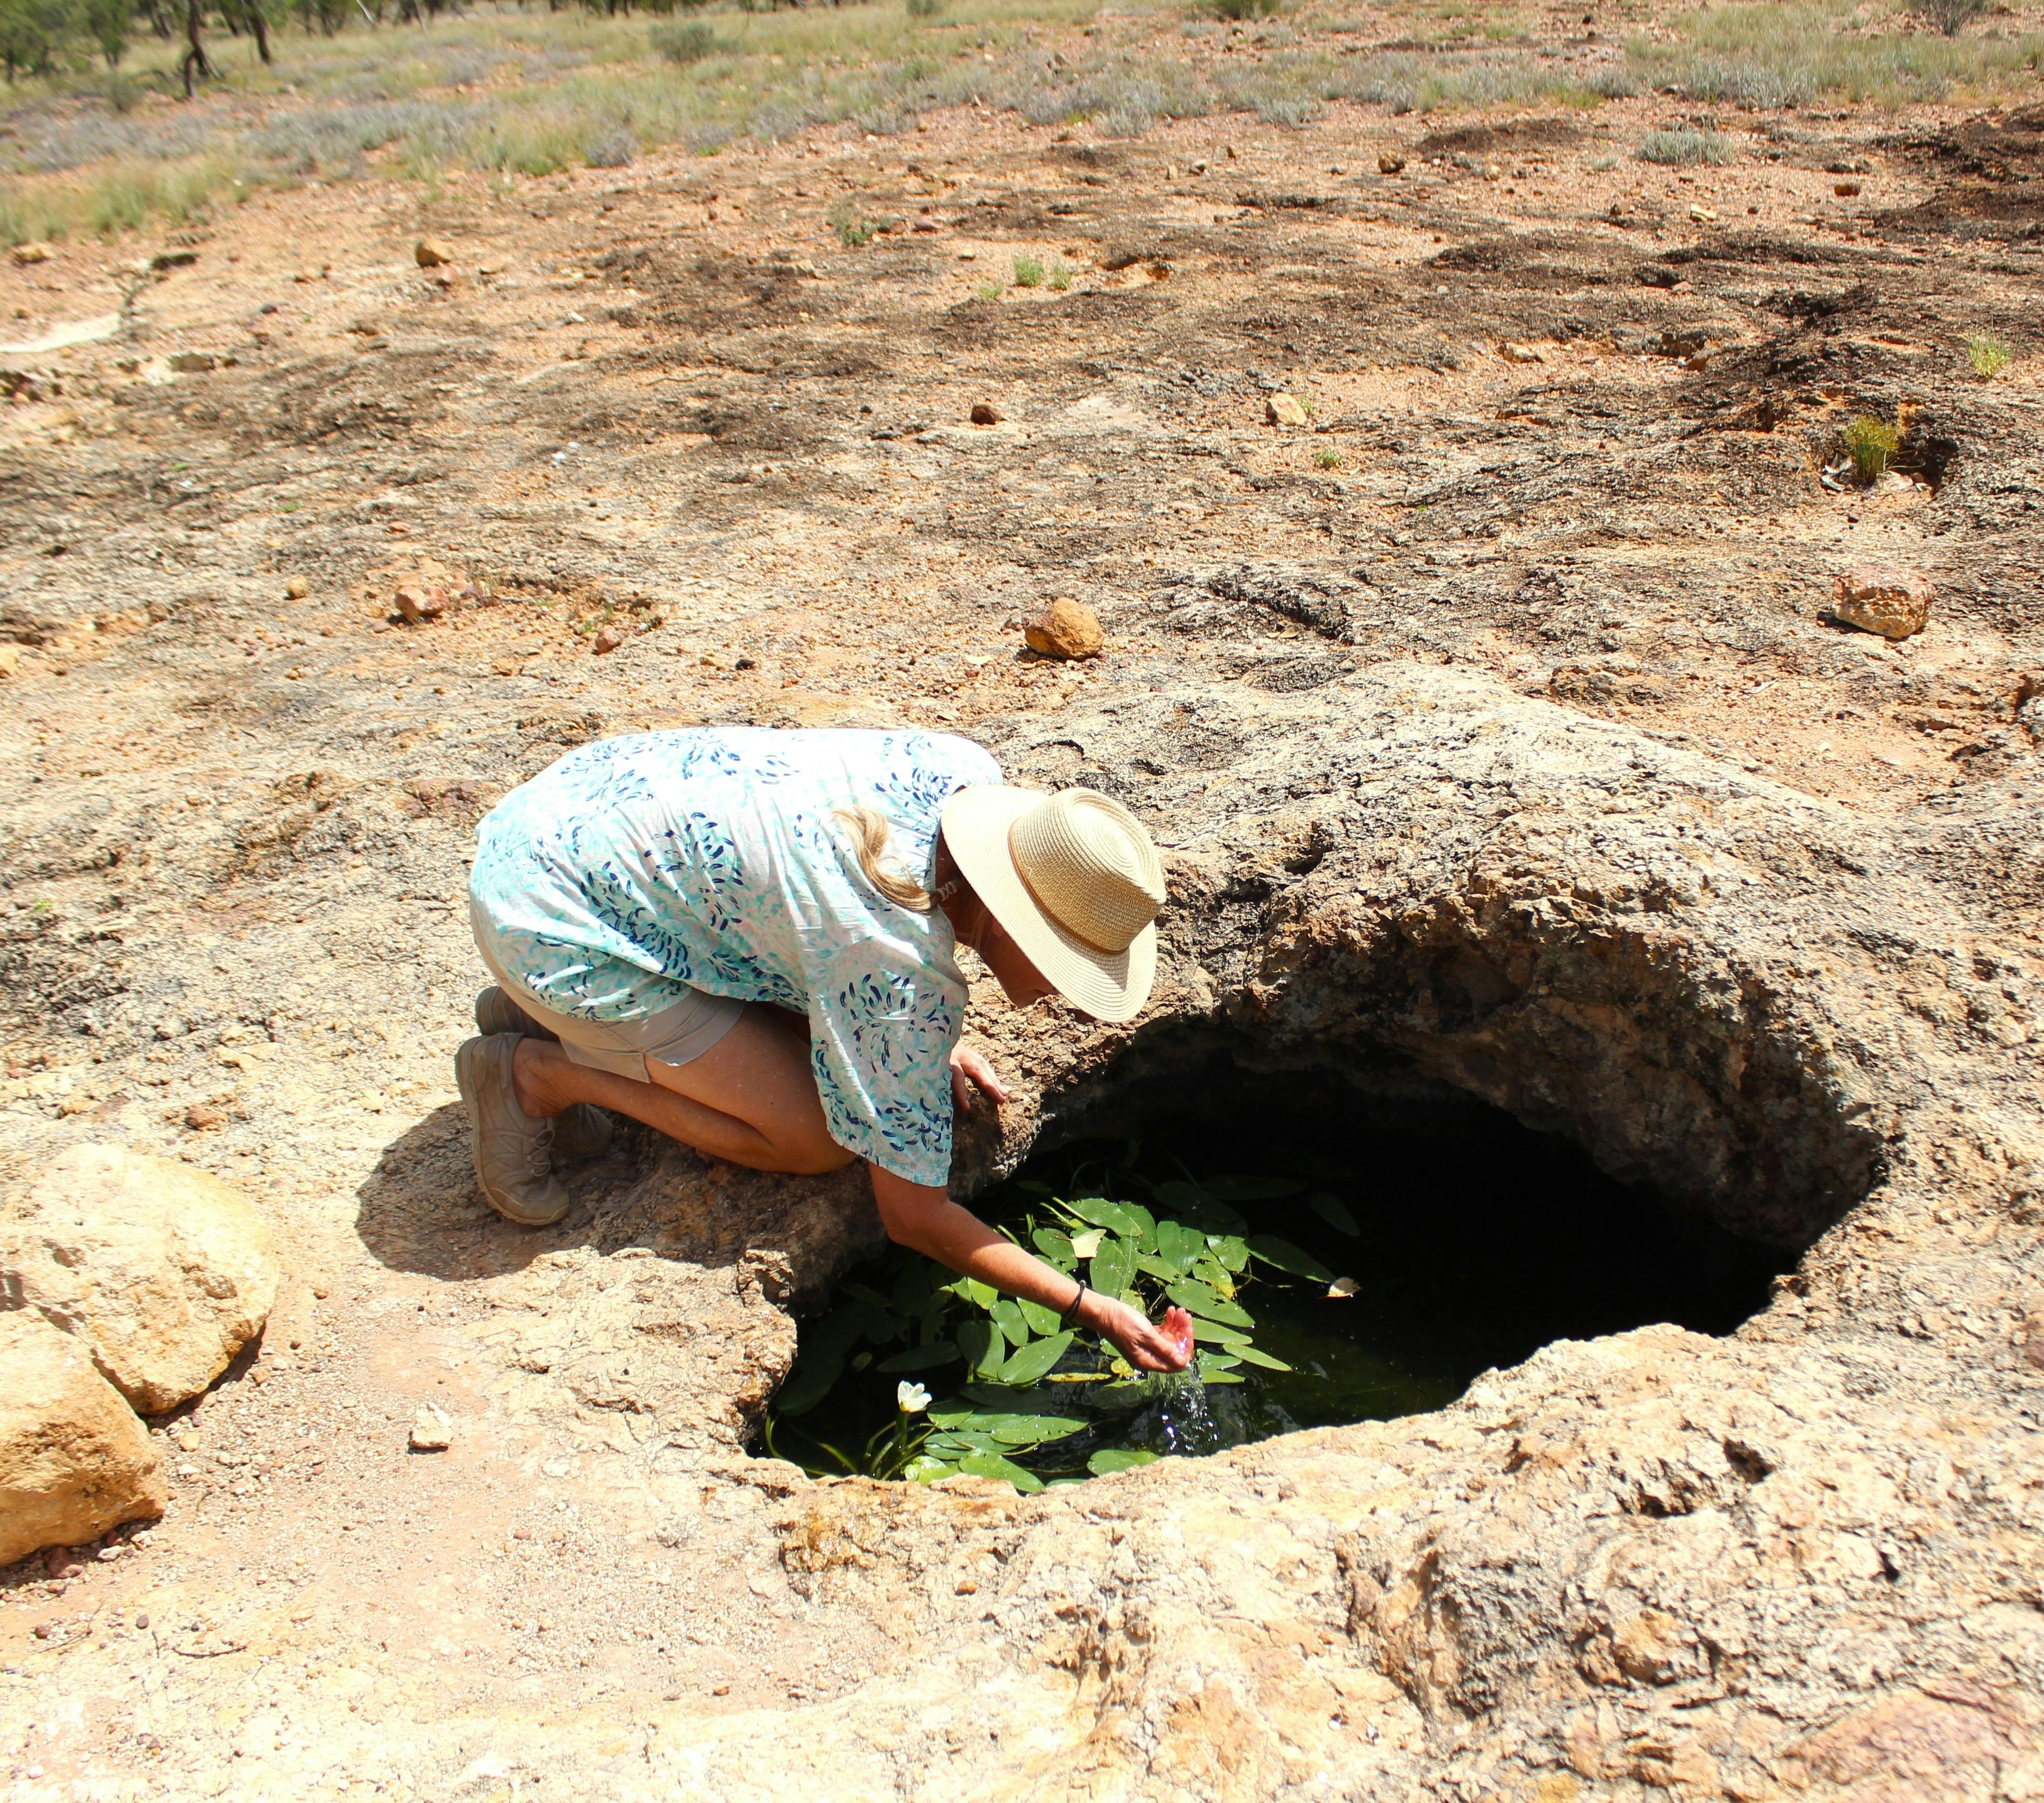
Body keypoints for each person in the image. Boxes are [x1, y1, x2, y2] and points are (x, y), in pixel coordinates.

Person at [458, 725, 1194, 1376]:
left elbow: (815, 919)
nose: (1064, 992)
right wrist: (1091, 1306)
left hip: (567, 823)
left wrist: (909, 1046)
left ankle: (547, 1014)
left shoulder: (963, 773)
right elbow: (913, 1217)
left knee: (807, 1054)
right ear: (1005, 922)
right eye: (1064, 961)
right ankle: (542, 1072)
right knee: (810, 1139)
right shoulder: (890, 962)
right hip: (548, 918)